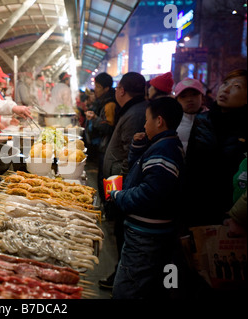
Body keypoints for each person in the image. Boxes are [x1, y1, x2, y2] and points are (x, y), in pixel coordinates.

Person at [109, 96, 185, 299]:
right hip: (146, 232)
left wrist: (118, 196)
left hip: (146, 236)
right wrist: (137, 148)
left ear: (159, 121)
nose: (144, 124)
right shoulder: (163, 144)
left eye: (146, 120)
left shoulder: (164, 150)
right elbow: (141, 171)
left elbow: (149, 194)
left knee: (127, 289)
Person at [99, 72, 148, 290]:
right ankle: (120, 275)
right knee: (119, 228)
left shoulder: (135, 113)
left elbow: (131, 156)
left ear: (121, 90)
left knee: (122, 230)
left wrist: (118, 191)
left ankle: (123, 280)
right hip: (117, 180)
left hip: (121, 183)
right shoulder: (132, 109)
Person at [184, 69, 247, 228]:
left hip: (233, 215)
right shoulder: (202, 120)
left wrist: (237, 216)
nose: (225, 89)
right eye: (225, 83)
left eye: (236, 86)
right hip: (198, 207)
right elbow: (190, 164)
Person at [84, 72, 118, 206]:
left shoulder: (109, 105)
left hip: (107, 148)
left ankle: (107, 209)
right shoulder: (102, 102)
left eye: (98, 86)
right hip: (103, 147)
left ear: (106, 89)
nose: (95, 89)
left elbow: (110, 127)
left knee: (104, 178)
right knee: (101, 178)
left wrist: (95, 119)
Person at [174, 77, 208, 153]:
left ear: (202, 98)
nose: (189, 99)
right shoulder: (172, 121)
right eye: (183, 96)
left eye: (194, 94)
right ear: (177, 101)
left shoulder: (212, 119)